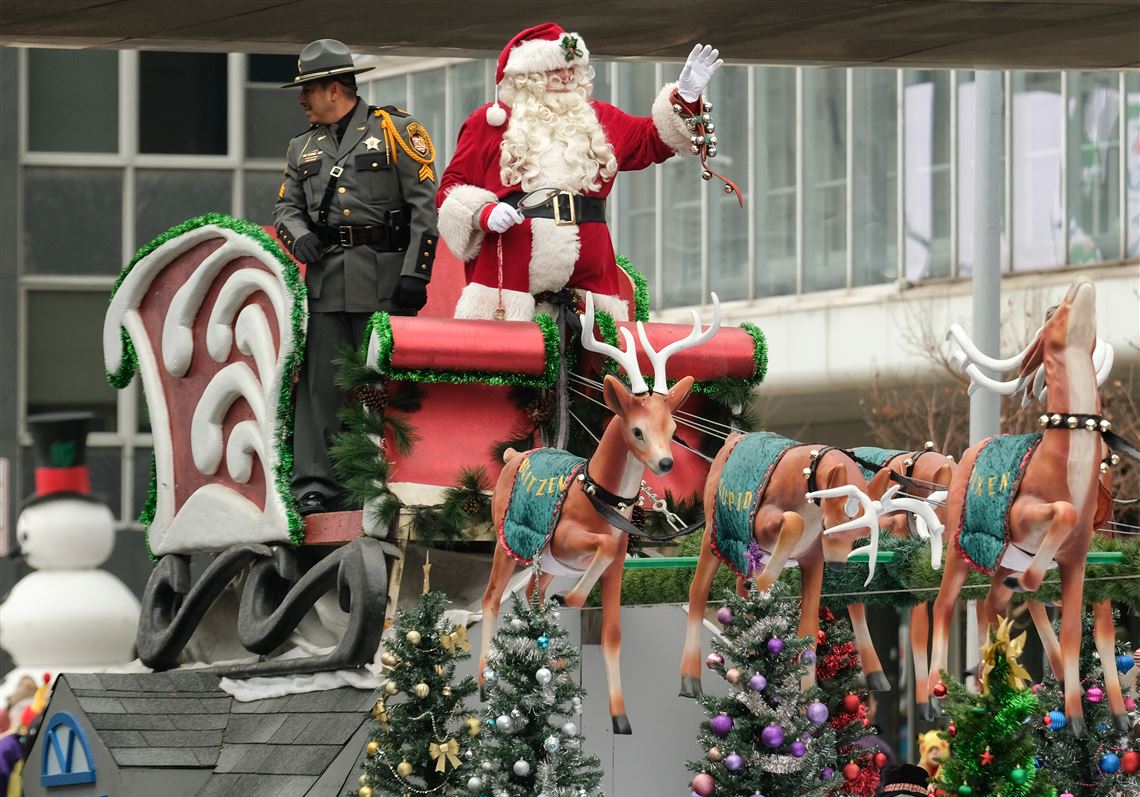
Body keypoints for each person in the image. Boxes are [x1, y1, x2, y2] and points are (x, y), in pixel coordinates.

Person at [437, 22, 723, 321]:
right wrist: (484, 212)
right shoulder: (490, 122)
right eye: (555, 69)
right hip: (512, 263)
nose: (566, 76)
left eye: (572, 69)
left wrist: (684, 97)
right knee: (508, 346)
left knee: (596, 346)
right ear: (527, 76)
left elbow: (652, 140)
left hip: (590, 266)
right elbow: (451, 188)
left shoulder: (600, 118)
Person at [274, 38, 439, 514]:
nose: (301, 100)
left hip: (385, 283)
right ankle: (315, 486)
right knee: (321, 389)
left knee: (384, 388)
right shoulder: (301, 147)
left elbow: (424, 208)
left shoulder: (395, 130)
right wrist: (298, 236)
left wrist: (416, 275)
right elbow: (285, 208)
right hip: (327, 282)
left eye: (307, 89)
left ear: (333, 89)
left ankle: (388, 483)